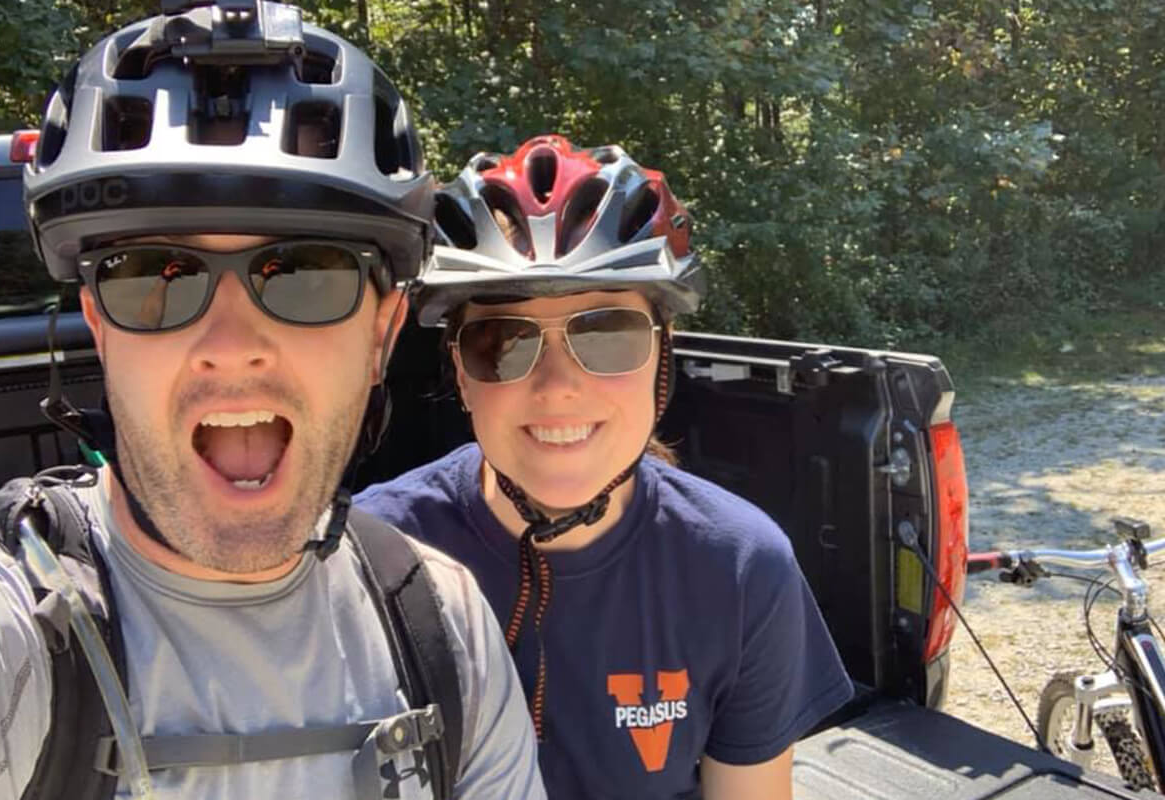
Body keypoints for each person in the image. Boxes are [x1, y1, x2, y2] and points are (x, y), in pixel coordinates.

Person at [0, 4, 545, 800]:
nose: (232, 342)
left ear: (382, 332)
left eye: (307, 272)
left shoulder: (445, 628)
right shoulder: (2, 635)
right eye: (151, 275)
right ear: (100, 327)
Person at [358, 135, 856, 799]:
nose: (559, 387)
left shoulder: (741, 567)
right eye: (503, 342)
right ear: (461, 372)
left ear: (662, 355)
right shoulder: (370, 561)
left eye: (607, 334)